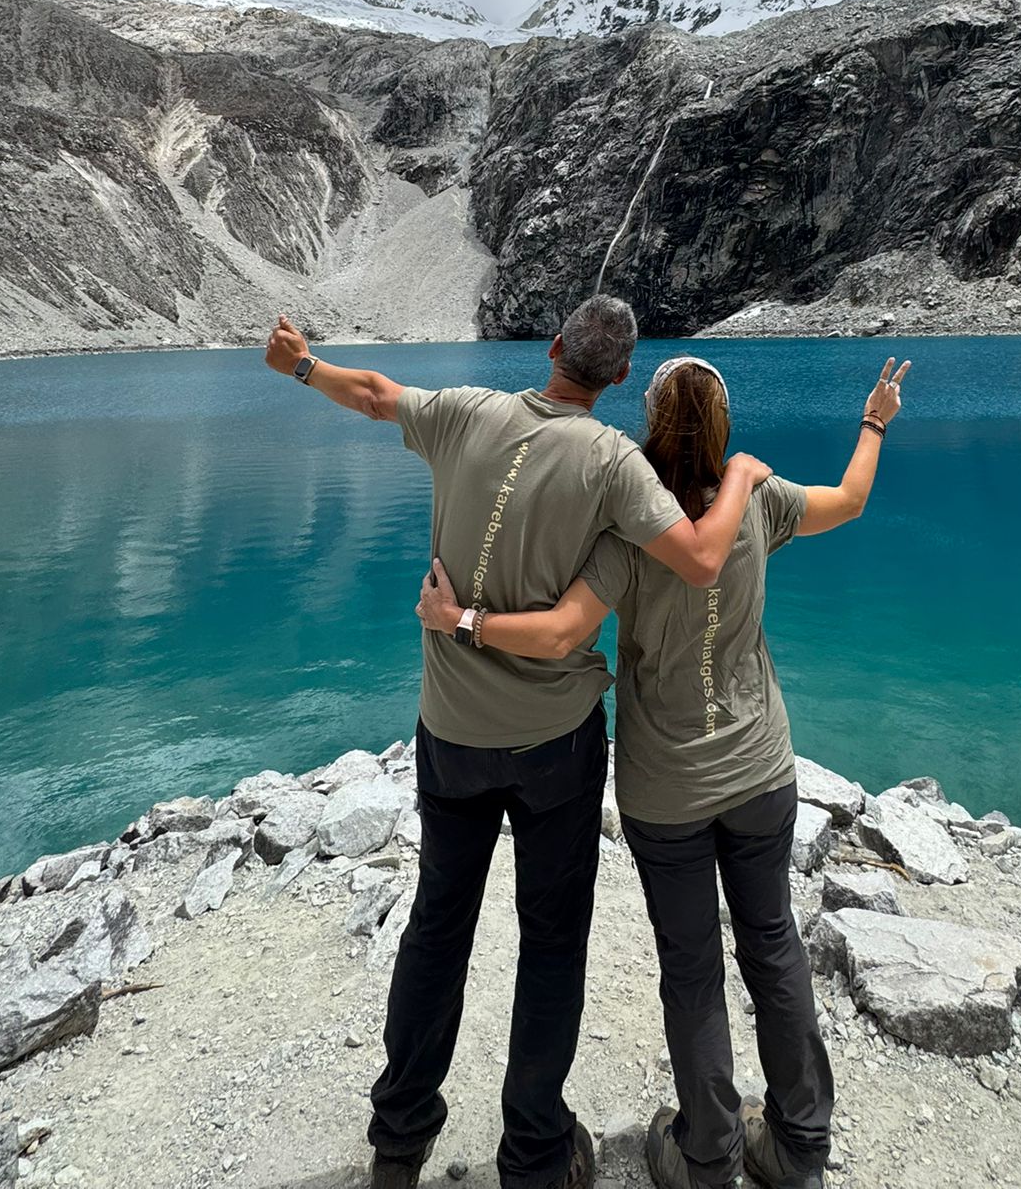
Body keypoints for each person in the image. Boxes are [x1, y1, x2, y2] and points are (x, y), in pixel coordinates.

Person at [264, 298, 773, 1189]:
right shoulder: (615, 463)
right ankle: (535, 1154)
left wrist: (302, 365)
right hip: (555, 747)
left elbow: (375, 393)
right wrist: (740, 479)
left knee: (437, 926)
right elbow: (698, 559)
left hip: (451, 734)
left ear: (552, 348)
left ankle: (399, 1142)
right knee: (551, 941)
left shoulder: (467, 411)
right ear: (622, 377)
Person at [419, 353, 910, 1189]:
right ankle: (799, 1148)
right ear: (722, 427)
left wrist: (459, 618)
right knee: (773, 944)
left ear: (651, 422)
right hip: (760, 770)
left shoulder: (627, 527)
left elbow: (560, 632)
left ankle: (706, 1156)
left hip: (665, 791)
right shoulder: (760, 498)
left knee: (691, 968)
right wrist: (873, 424)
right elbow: (852, 499)